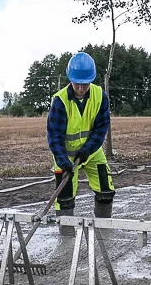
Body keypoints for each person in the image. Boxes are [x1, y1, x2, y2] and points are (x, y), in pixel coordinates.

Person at [47, 52, 114, 233]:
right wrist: (62, 161)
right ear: (70, 79)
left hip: (91, 152)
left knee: (106, 190)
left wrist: (87, 151)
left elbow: (101, 128)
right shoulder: (60, 101)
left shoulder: (100, 96)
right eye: (77, 83)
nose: (81, 87)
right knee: (65, 198)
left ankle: (103, 230)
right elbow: (54, 136)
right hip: (65, 155)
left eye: (85, 83)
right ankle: (66, 236)